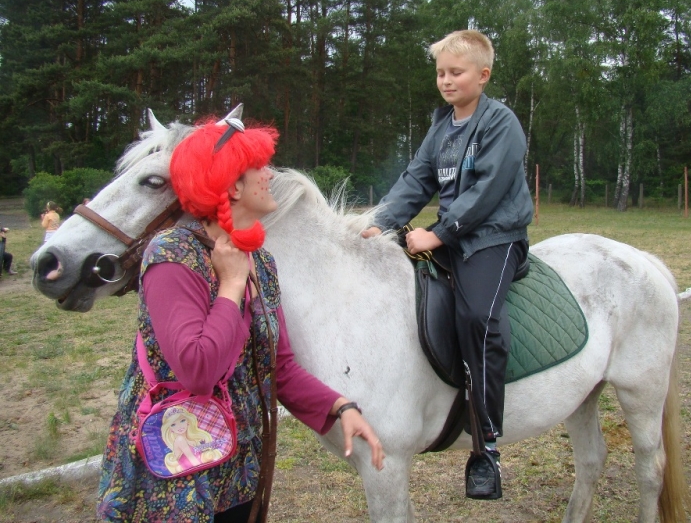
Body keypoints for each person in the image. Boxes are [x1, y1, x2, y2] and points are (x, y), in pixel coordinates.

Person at [97, 115, 384, 522]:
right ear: (232, 186)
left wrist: (341, 407)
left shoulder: (261, 263)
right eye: (260, 168)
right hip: (172, 477)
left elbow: (279, 368)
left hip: (236, 471)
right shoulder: (172, 256)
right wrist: (231, 286)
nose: (270, 175)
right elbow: (198, 369)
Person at [361, 30, 533, 500]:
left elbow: (488, 191)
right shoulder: (442, 127)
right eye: (440, 72)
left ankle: (487, 447)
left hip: (494, 237)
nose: (446, 80)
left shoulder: (501, 123)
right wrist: (381, 222)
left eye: (456, 72)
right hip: (452, 236)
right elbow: (416, 179)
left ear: (483, 74)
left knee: (479, 318)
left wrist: (437, 233)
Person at [161, 405, 224, 475]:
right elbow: (192, 459)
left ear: (187, 421)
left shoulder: (189, 439)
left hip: (198, 470)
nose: (179, 426)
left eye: (182, 420)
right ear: (170, 429)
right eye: (173, 425)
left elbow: (201, 451)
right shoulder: (180, 440)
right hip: (196, 472)